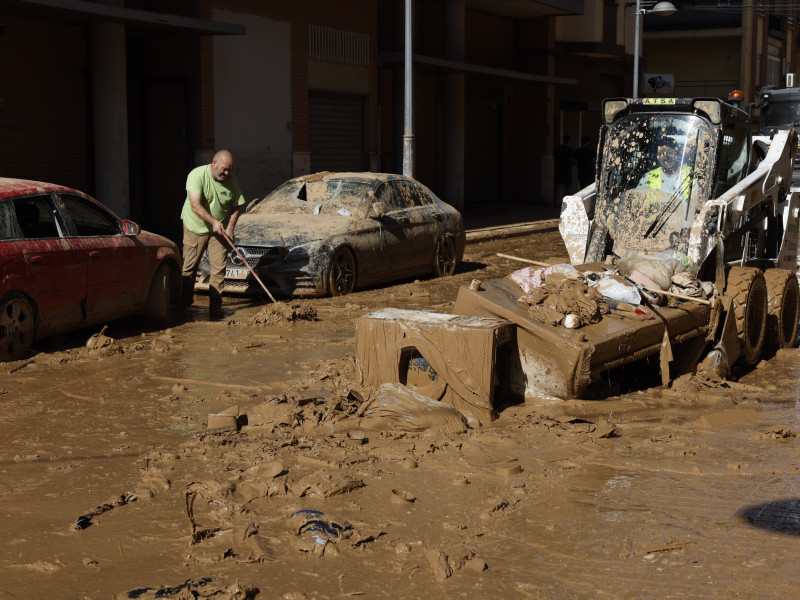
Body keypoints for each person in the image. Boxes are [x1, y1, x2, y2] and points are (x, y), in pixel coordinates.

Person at [178, 149, 246, 319]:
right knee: (189, 268)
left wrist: (230, 227)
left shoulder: (231, 181)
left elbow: (237, 206)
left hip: (219, 230)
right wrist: (214, 221)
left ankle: (215, 310)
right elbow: (195, 205)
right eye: (224, 169)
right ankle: (184, 302)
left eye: (230, 169)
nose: (227, 173)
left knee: (219, 269)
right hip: (195, 227)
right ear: (214, 163)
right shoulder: (197, 175)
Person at [553, 135, 574, 207]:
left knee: (559, 186)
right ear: (569, 140)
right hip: (567, 169)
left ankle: (557, 201)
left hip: (559, 169)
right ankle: (568, 203)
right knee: (568, 186)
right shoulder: (569, 149)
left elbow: (554, 158)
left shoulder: (558, 149)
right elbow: (572, 160)